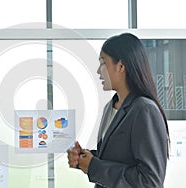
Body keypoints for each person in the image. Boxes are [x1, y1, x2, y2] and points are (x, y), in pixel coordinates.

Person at [67, 33, 170, 188]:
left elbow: (150, 182)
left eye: (103, 63)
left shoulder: (144, 110)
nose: (98, 71)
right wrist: (85, 159)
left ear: (121, 66)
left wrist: (94, 167)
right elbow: (116, 159)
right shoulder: (110, 107)